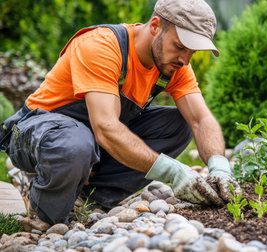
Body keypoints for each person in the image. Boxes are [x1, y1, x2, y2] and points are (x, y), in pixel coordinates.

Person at [0, 0, 240, 225]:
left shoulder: (174, 63)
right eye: (180, 46)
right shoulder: (102, 46)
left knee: (179, 125)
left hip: (89, 140)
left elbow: (200, 119)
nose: (185, 59)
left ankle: (88, 198)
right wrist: (173, 171)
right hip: (36, 133)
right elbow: (106, 129)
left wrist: (220, 167)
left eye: (193, 51)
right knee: (74, 145)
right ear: (155, 26)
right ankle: (43, 213)